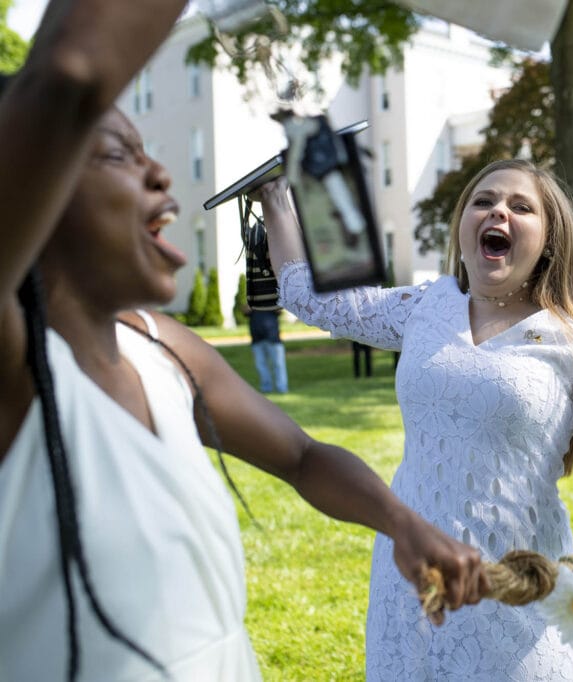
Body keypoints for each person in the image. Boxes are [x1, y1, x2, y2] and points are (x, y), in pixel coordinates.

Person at [0, 3, 485, 679]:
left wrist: (401, 523)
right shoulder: (13, 366)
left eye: (148, 153)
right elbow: (68, 75)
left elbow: (302, 456)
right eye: (115, 153)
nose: (160, 175)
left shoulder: (161, 347)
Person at [259, 160, 573, 680]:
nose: (499, 212)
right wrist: (274, 196)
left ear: (549, 239)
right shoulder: (427, 306)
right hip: (412, 574)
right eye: (484, 201)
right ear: (464, 227)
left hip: (518, 582)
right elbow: (311, 297)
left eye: (521, 206)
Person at [248, 307, 289, 392]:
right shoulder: (252, 299)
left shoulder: (271, 299)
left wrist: (269, 303)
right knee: (261, 365)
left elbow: (280, 310)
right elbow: (245, 310)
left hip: (273, 337)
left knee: (278, 364)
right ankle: (266, 388)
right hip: (257, 339)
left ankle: (282, 388)